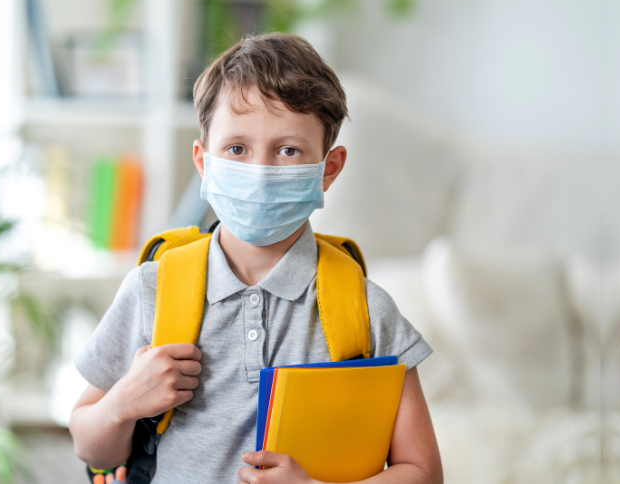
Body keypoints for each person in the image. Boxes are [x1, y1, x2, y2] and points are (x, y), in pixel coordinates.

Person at [69, 32, 442, 484]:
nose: (260, 172)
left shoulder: (366, 308)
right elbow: (91, 446)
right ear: (204, 161)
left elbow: (422, 472)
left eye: (288, 150)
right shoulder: (152, 289)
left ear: (329, 168)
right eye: (237, 149)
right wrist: (123, 403)